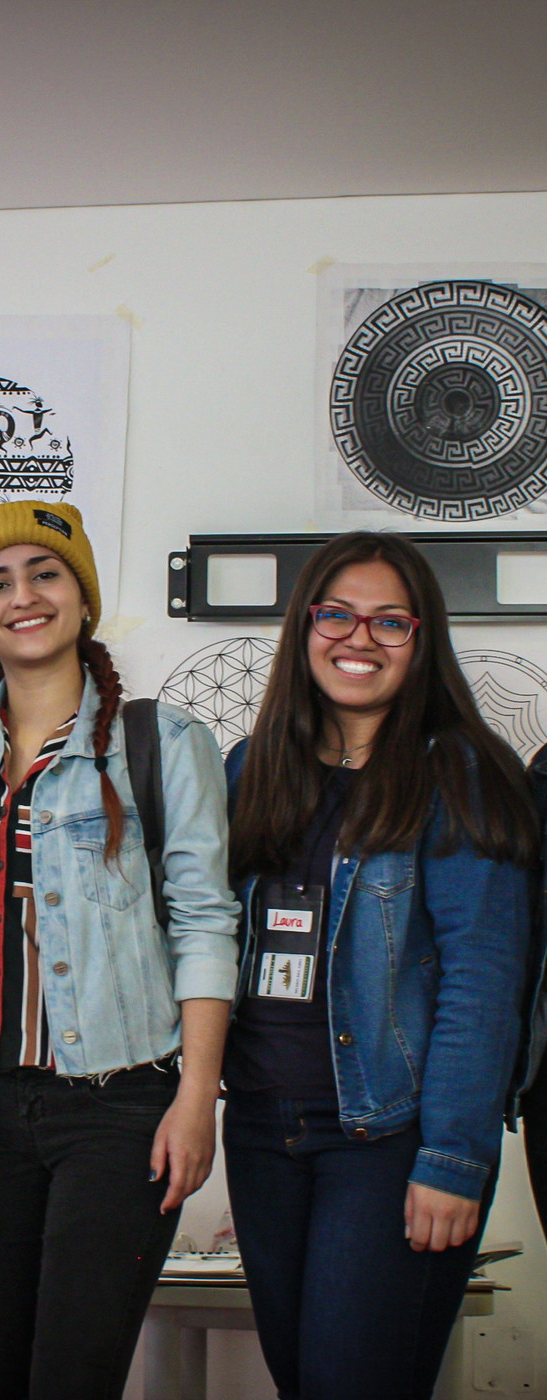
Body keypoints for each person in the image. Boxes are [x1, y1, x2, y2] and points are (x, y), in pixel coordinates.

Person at [0, 500, 239, 1400]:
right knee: (3, 1380)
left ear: (84, 597)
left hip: (116, 1107)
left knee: (74, 1380)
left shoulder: (161, 742)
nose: (23, 596)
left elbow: (206, 922)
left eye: (45, 574)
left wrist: (196, 1100)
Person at [222, 530, 537, 1400]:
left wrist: (453, 1159)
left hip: (385, 1137)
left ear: (421, 640)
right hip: (261, 1131)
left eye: (390, 622)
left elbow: (482, 985)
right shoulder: (251, 769)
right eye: (337, 615)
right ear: (305, 625)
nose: (358, 639)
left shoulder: (461, 776)